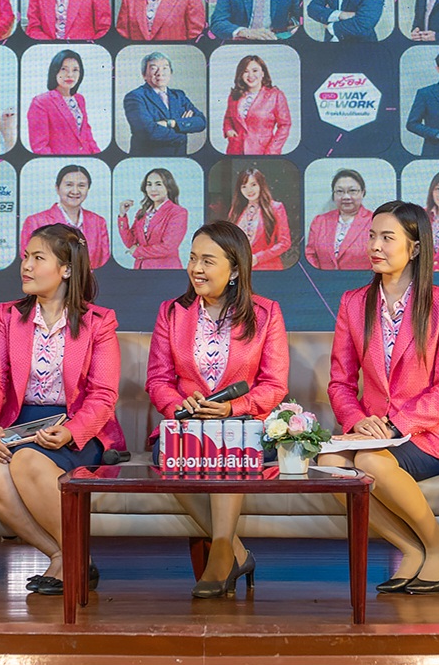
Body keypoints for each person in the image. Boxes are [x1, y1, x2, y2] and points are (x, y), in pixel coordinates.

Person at [0, 223, 126, 597]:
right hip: (19, 423)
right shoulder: (8, 316)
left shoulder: (98, 321)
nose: (25, 266)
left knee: (26, 461)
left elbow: (103, 395)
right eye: (26, 257)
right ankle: (66, 556)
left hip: (75, 427)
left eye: (37, 258)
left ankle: (69, 560)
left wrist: (72, 430)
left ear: (66, 269)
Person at [323, 201, 439, 593]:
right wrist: (357, 420)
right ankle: (411, 549)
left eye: (387, 238)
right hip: (372, 433)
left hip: (426, 435)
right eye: (371, 236)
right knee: (329, 466)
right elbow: (339, 383)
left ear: (415, 248)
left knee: (369, 460)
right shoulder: (353, 303)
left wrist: (395, 425)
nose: (375, 246)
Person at [146, 220, 290, 597]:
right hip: (186, 427)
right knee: (181, 451)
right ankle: (233, 551)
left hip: (243, 427)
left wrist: (232, 409)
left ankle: (222, 553)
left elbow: (274, 385)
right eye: (192, 258)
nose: (196, 268)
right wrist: (179, 404)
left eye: (207, 261)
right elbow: (157, 380)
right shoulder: (172, 312)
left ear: (235, 269)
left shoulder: (265, 313)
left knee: (225, 447)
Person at [20, 164, 111, 266]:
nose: (75, 191)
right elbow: (28, 263)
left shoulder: (98, 222)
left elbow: (104, 263)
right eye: (69, 185)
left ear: (88, 189)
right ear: (57, 188)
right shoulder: (35, 222)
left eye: (81, 185)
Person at [123, 52, 206, 156]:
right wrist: (183, 131)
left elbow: (201, 122)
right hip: (148, 158)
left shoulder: (179, 96)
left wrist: (171, 123)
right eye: (153, 68)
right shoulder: (135, 97)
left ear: (171, 73)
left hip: (179, 158)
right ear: (144, 75)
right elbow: (148, 132)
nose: (160, 73)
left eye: (165, 68)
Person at [26, 49, 101, 156]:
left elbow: (87, 134)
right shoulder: (41, 102)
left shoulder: (79, 99)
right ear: (55, 71)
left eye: (75, 70)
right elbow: (40, 147)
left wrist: (98, 156)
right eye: (64, 69)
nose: (70, 75)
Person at [118, 167, 189, 269]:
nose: (153, 189)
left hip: (165, 269)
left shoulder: (178, 212)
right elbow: (130, 242)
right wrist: (122, 216)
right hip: (140, 269)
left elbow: (168, 247)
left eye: (158, 184)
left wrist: (138, 251)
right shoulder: (142, 212)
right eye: (149, 184)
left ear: (168, 187)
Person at [222, 54, 292, 155]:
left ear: (263, 73)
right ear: (241, 75)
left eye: (255, 71)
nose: (250, 75)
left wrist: (272, 151)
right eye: (245, 71)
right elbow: (228, 118)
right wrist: (228, 130)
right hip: (235, 151)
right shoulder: (234, 96)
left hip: (263, 152)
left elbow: (285, 125)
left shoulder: (276, 95)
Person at [306, 169, 375, 271]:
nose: (346, 197)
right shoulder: (319, 221)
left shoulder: (376, 221)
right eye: (339, 191)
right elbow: (310, 255)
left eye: (352, 191)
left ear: (363, 192)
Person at [227, 167, 291, 270]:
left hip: (267, 268)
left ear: (261, 185)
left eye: (253, 185)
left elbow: (284, 243)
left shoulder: (276, 207)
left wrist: (258, 258)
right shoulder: (236, 210)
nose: (249, 190)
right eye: (244, 186)